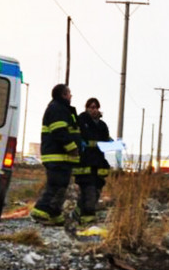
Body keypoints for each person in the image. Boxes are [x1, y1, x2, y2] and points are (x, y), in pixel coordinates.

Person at [30, 84, 82, 226]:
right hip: (57, 156)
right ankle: (40, 209)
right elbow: (59, 131)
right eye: (69, 93)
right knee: (56, 185)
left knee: (61, 186)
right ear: (63, 95)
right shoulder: (57, 109)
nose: (71, 96)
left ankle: (54, 213)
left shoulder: (62, 109)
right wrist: (71, 147)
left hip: (62, 157)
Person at [75, 97, 113, 225]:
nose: (94, 110)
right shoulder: (81, 121)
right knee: (88, 189)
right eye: (91, 107)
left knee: (96, 188)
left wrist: (113, 144)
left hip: (98, 162)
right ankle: (87, 217)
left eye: (96, 107)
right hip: (85, 161)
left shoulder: (102, 125)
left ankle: (79, 212)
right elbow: (76, 136)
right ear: (86, 108)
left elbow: (106, 140)